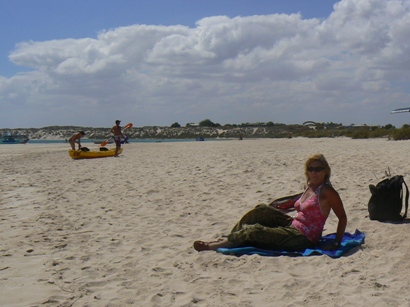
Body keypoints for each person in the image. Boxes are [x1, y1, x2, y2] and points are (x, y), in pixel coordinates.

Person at [193, 153, 347, 252]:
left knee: (255, 231)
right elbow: (303, 203)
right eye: (310, 168)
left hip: (303, 238)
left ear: (325, 171)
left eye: (318, 169)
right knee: (261, 209)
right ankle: (231, 237)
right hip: (293, 225)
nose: (314, 172)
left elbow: (342, 217)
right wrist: (286, 204)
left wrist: (336, 243)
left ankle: (214, 245)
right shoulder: (309, 186)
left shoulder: (328, 192)